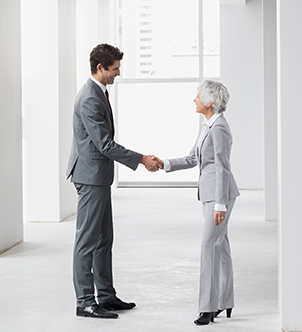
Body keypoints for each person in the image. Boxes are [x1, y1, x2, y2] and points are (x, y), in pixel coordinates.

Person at [66, 43, 161, 319]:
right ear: (100, 68)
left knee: (104, 239)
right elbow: (105, 145)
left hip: (99, 177)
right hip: (90, 177)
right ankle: (85, 301)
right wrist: (142, 158)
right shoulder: (89, 98)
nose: (118, 73)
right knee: (87, 241)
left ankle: (105, 296)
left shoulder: (99, 93)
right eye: (115, 69)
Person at [154, 80, 240, 325]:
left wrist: (220, 204)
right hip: (209, 194)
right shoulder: (206, 126)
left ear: (210, 101)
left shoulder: (220, 128)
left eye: (198, 96)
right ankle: (226, 300)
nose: (194, 99)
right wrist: (165, 164)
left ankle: (208, 308)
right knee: (220, 246)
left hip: (218, 196)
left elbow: (223, 167)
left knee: (208, 246)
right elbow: (193, 157)